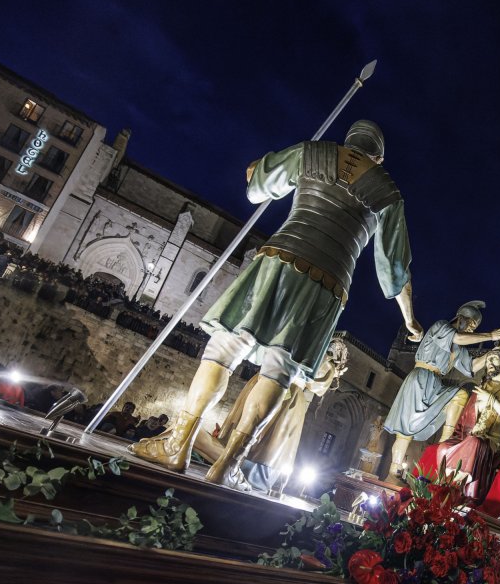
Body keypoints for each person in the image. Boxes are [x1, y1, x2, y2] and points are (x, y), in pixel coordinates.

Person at [130, 120, 423, 486]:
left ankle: (178, 443)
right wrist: (410, 320)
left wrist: (258, 168)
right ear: (378, 157)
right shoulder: (387, 191)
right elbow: (395, 272)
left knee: (223, 349)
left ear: (349, 141)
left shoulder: (313, 152)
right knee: (279, 371)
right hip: (328, 284)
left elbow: (257, 187)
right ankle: (227, 465)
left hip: (280, 258)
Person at [194, 337, 349, 493]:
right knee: (267, 449)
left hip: (263, 380)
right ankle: (198, 438)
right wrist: (335, 372)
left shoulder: (305, 341)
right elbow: (317, 386)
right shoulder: (327, 359)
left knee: (249, 432)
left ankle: (194, 436)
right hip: (288, 392)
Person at [384, 301, 500, 476]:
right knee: (405, 432)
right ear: (460, 319)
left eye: (474, 327)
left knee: (460, 394)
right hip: (420, 378)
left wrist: (495, 352)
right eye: (471, 324)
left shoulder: (457, 348)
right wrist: (489, 335)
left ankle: (444, 446)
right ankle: (393, 471)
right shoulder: (441, 326)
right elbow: (457, 338)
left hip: (436, 383)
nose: (471, 329)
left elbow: (472, 366)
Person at [419, 346, 500, 503]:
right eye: (487, 360)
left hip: (492, 440)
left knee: (474, 443)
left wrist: (492, 401)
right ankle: (443, 487)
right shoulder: (481, 388)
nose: (489, 363)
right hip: (470, 434)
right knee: (444, 447)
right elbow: (467, 417)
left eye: (493, 359)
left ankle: (459, 491)